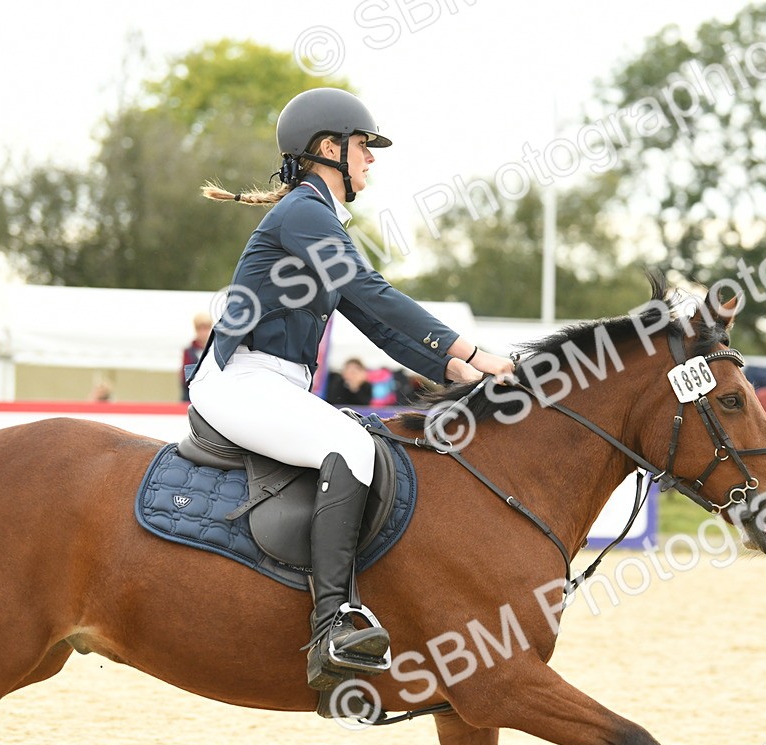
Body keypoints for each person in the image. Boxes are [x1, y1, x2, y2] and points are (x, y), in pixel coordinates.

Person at [187, 88, 515, 691]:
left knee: (361, 443)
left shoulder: (317, 218)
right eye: (364, 146)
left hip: (272, 380)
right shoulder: (304, 213)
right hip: (240, 380)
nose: (372, 159)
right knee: (355, 448)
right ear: (329, 149)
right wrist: (468, 349)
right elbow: (373, 292)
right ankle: (332, 619)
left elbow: (376, 323)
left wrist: (451, 371)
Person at [180, 313, 213, 401]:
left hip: (210, 392)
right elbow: (184, 377)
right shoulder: (189, 351)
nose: (203, 333)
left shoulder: (214, 350)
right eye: (200, 329)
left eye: (206, 328)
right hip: (192, 393)